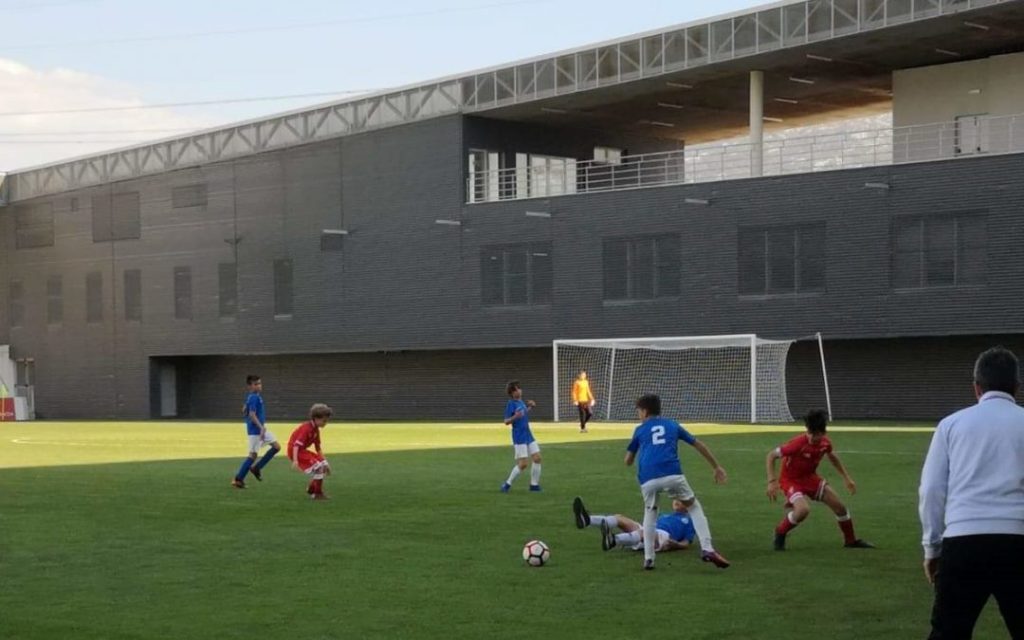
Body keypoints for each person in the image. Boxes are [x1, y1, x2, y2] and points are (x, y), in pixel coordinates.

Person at [919, 346, 1024, 639]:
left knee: (948, 633)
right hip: (1018, 540)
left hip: (963, 541)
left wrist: (932, 548)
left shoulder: (951, 425)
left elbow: (931, 490)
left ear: (976, 387)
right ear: (1016, 387)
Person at [625, 393, 730, 570]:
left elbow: (628, 460)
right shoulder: (672, 425)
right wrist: (716, 467)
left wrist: (635, 455)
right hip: (672, 474)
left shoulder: (640, 430)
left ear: (645, 411)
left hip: (648, 478)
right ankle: (707, 548)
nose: (638, 414)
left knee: (650, 513)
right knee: (693, 507)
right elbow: (698, 444)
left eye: (639, 411)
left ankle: (649, 559)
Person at [766, 409, 873, 551]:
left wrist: (847, 478)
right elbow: (771, 455)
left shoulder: (825, 444)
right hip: (791, 481)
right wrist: (772, 481)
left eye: (815, 434)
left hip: (811, 479)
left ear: (823, 433)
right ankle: (780, 531)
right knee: (803, 510)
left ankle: (850, 541)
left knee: (840, 508)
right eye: (810, 433)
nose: (811, 437)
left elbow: (832, 456)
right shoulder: (797, 444)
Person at [573, 496, 695, 553]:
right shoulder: (664, 514)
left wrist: (677, 545)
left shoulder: (689, 521)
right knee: (620, 518)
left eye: (682, 500)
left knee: (645, 532)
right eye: (676, 499)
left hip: (664, 538)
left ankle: (614, 540)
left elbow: (687, 542)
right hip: (649, 531)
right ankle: (587, 520)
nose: (677, 501)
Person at [231, 375, 280, 489]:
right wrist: (261, 428)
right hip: (256, 430)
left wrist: (246, 409)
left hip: (260, 429)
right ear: (250, 386)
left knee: (276, 447)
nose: (259, 386)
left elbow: (245, 410)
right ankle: (238, 479)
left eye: (260, 383)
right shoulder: (254, 397)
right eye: (256, 384)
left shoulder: (253, 396)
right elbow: (252, 415)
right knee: (252, 455)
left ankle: (256, 468)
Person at [500, 381, 542, 493]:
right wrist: (515, 416)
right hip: (519, 436)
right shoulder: (511, 404)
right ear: (512, 393)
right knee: (523, 464)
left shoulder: (521, 402)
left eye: (519, 388)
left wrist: (530, 407)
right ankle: (507, 484)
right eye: (516, 389)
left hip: (528, 433)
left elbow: (523, 414)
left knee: (537, 458)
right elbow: (506, 421)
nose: (519, 391)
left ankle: (534, 485)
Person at [287, 403, 334, 500]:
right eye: (324, 421)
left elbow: (318, 448)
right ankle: (317, 494)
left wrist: (326, 462)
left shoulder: (316, 430)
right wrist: (295, 460)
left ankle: (311, 489)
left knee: (322, 466)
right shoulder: (306, 428)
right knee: (319, 468)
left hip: (302, 451)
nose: (325, 423)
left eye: (326, 421)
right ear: (316, 418)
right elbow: (296, 445)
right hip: (295, 451)